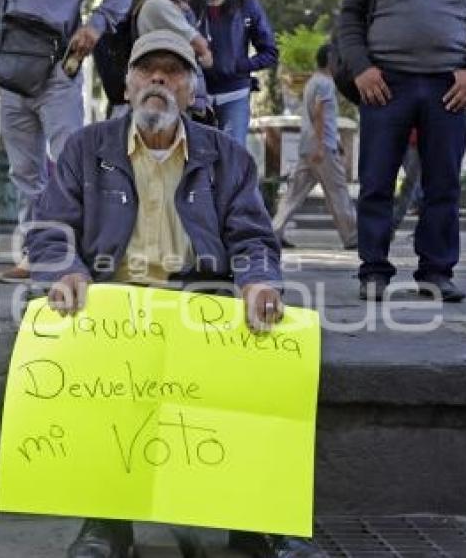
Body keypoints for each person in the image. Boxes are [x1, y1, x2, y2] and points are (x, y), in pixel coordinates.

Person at [27, 29, 321, 558]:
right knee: (102, 386)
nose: (159, 78)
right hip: (114, 302)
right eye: (146, 68)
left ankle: (257, 523)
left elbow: (253, 236)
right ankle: (106, 526)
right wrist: (65, 271)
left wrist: (257, 282)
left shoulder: (226, 155)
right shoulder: (85, 147)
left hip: (200, 303)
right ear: (127, 85)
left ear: (192, 90)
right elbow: (50, 230)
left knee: (266, 363)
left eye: (175, 70)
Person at [338, 0, 466, 302]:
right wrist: (360, 67)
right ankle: (373, 270)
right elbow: (350, 16)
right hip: (384, 81)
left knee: (444, 183)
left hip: (449, 83)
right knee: (376, 180)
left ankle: (436, 273)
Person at [0, 0, 133, 283]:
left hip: (58, 70)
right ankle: (35, 254)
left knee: (72, 164)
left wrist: (95, 25)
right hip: (13, 73)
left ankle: (80, 253)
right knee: (25, 173)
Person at [272, 44, 358, 250]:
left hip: (307, 146)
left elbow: (319, 117)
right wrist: (322, 145)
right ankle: (353, 237)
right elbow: (319, 113)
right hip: (322, 148)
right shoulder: (326, 84)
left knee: (294, 194)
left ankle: (274, 232)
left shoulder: (312, 82)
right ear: (330, 60)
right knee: (338, 192)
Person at [192, 0, 277, 146]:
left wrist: (238, 65)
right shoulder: (192, 5)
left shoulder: (246, 4)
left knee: (232, 158)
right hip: (197, 97)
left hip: (235, 96)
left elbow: (270, 53)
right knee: (198, 159)